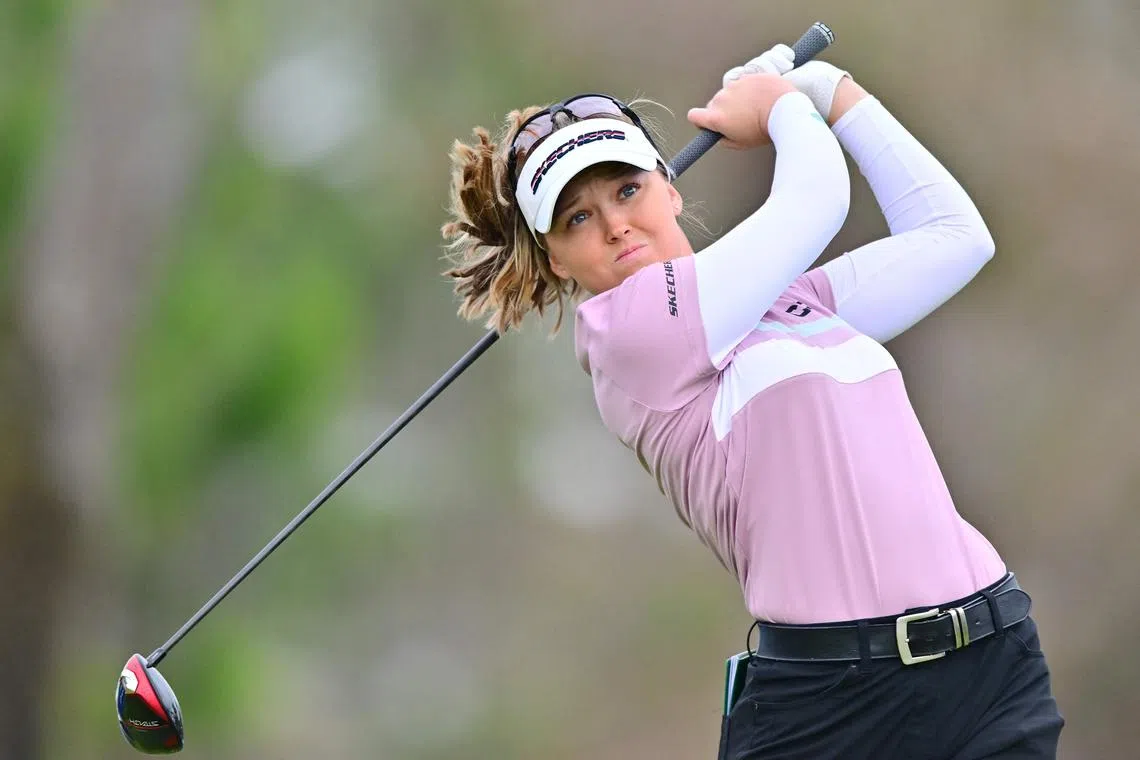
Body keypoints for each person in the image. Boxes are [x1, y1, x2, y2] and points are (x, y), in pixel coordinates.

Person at [441, 43, 1064, 759]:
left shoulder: (794, 304)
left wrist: (830, 89)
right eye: (577, 219)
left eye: (628, 190)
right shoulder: (627, 334)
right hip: (832, 708)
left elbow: (956, 237)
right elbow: (817, 202)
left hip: (991, 666)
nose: (614, 225)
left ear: (669, 189)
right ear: (555, 258)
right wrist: (781, 105)